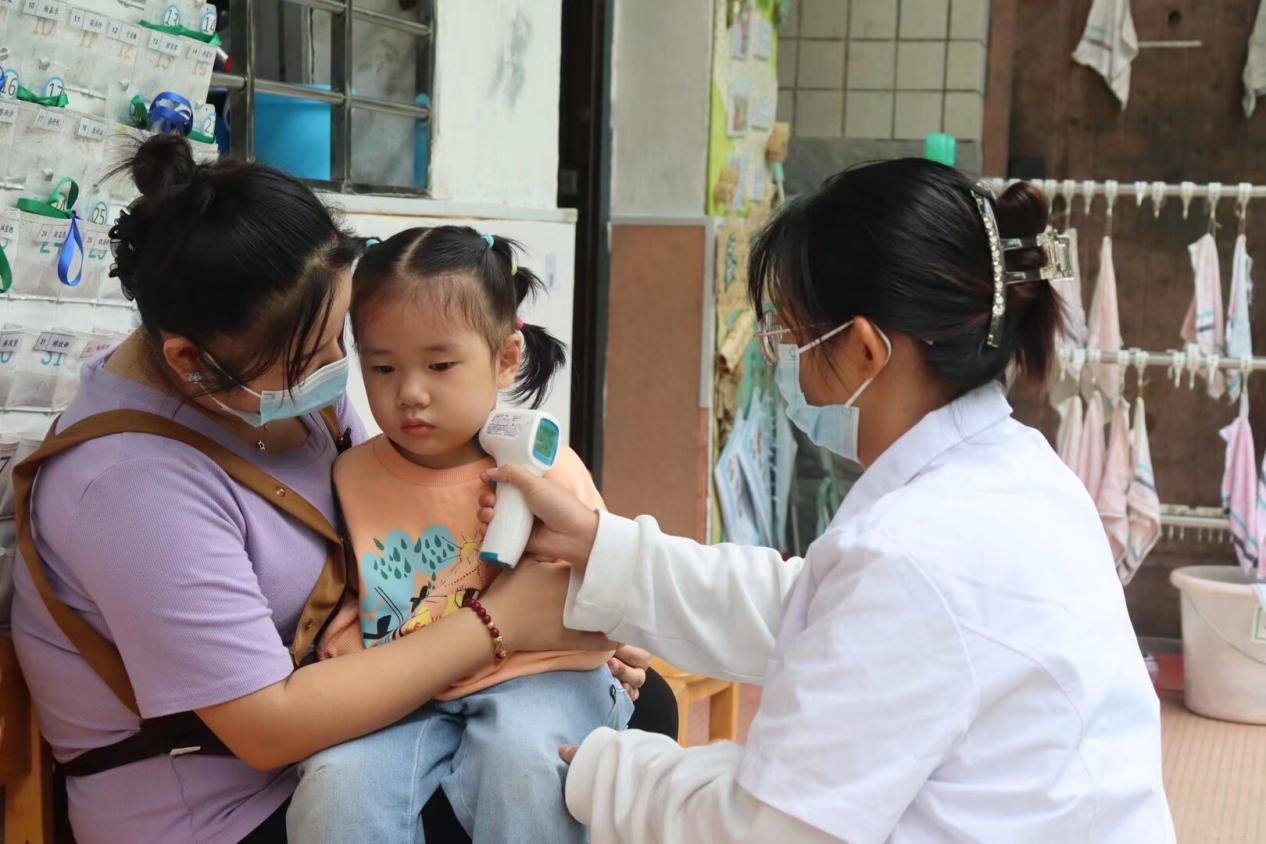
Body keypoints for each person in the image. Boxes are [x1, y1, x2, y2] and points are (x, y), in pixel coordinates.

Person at [481, 161, 1177, 843]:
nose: (786, 365)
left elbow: (772, 828)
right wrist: (600, 548)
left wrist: (605, 770)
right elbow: (817, 612)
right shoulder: (1021, 474)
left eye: (791, 338)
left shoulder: (914, 552)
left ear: (868, 350)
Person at [9, 136, 657, 844]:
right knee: (564, 772)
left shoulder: (269, 387)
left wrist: (567, 635)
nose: (340, 373)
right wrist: (504, 626)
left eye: (339, 343)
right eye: (315, 359)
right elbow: (267, 728)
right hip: (227, 807)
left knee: (625, 716)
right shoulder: (126, 487)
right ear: (190, 360)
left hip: (366, 710)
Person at [285, 226, 634, 842]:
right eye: (382, 367)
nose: (410, 394)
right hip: (406, 687)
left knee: (525, 766)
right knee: (335, 788)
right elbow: (354, 590)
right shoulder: (351, 473)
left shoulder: (543, 467)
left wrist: (620, 635)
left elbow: (606, 577)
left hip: (542, 677)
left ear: (505, 358)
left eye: (440, 365)